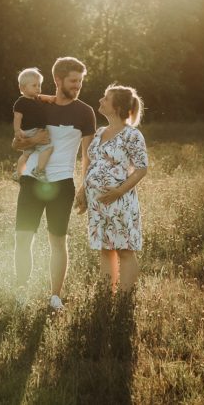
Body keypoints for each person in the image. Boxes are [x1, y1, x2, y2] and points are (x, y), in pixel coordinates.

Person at [11, 57, 96, 310]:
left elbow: (87, 156)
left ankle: (55, 297)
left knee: (58, 241)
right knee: (22, 238)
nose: (77, 85)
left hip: (62, 184)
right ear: (58, 80)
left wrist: (84, 187)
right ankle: (21, 293)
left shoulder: (85, 112)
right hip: (32, 181)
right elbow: (16, 143)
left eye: (80, 81)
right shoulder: (37, 105)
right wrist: (31, 141)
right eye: (73, 81)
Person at [79, 84, 148, 293]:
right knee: (105, 248)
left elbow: (141, 169)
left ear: (117, 107)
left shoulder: (132, 135)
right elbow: (91, 163)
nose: (100, 101)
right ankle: (105, 296)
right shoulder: (100, 132)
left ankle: (124, 299)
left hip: (120, 200)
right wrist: (83, 190)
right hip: (97, 202)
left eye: (105, 98)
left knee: (124, 249)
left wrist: (118, 191)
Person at [12, 68, 54, 181]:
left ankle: (18, 173)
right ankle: (39, 171)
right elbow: (17, 118)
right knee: (48, 148)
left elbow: (43, 97)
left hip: (34, 131)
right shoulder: (21, 102)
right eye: (34, 85)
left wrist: (50, 98)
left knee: (26, 154)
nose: (38, 88)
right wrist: (17, 130)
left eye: (39, 85)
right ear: (23, 88)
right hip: (31, 131)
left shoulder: (37, 99)